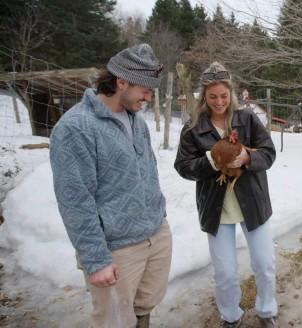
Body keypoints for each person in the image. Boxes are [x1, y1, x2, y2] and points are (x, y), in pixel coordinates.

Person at [50, 44, 172, 328]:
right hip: (117, 248)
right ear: (121, 82)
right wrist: (95, 259)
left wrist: (160, 217)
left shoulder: (136, 121)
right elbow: (75, 200)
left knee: (144, 306)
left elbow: (148, 173)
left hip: (155, 234)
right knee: (114, 321)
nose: (149, 97)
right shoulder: (76, 128)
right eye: (146, 90)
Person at [174, 62, 278, 328]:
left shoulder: (248, 119)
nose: (219, 102)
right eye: (212, 97)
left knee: (265, 264)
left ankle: (267, 311)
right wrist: (211, 160)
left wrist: (248, 157)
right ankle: (231, 316)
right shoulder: (193, 127)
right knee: (225, 273)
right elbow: (183, 167)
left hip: (253, 203)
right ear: (203, 97)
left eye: (223, 96)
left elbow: (269, 153)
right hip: (216, 208)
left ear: (231, 94)